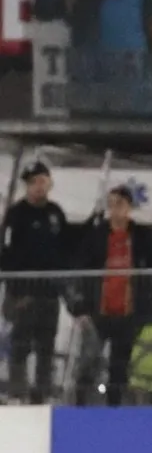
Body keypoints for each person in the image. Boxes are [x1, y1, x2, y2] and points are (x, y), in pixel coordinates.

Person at [72, 184, 152, 406]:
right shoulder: (97, 235)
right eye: (111, 204)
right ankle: (80, 406)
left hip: (127, 311)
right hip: (98, 311)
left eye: (119, 204)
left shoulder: (139, 235)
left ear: (129, 207)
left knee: (119, 365)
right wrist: (80, 306)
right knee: (88, 361)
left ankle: (114, 407)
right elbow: (80, 268)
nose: (114, 209)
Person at [0, 161, 68, 403]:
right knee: (20, 345)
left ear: (49, 183)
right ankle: (17, 393)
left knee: (46, 347)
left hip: (49, 293)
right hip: (23, 292)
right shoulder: (16, 214)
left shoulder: (55, 213)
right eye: (33, 182)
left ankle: (41, 395)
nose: (38, 187)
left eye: (42, 181)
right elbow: (6, 254)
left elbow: (66, 247)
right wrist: (16, 292)